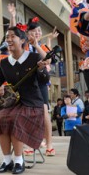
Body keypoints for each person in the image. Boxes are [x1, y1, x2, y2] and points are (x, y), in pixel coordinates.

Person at [0, 24, 46, 174]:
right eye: (6, 37)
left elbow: (44, 80)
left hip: (32, 104)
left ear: (22, 41)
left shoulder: (34, 57)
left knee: (16, 119)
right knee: (1, 119)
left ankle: (18, 160)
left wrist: (41, 70)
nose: (8, 40)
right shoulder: (4, 62)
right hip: (12, 103)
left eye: (12, 37)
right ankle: (6, 160)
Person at [26, 16, 58, 156]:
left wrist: (37, 45)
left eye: (39, 31)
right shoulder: (24, 47)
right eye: (33, 31)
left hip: (41, 81)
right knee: (29, 114)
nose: (37, 33)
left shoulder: (42, 46)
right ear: (27, 34)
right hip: (28, 82)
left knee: (44, 113)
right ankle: (29, 144)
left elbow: (48, 59)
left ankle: (49, 145)